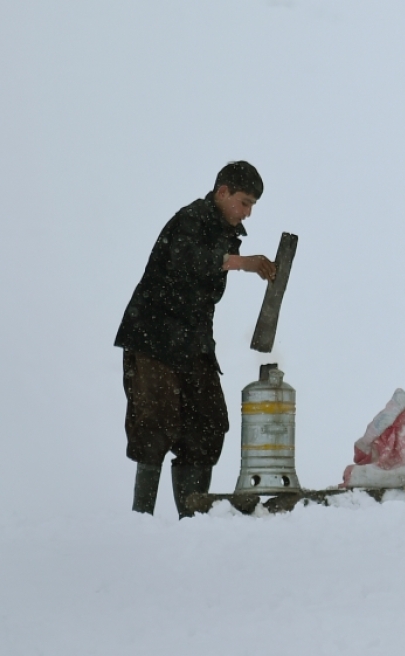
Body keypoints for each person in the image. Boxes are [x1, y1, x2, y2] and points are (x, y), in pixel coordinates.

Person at [115, 161, 277, 518]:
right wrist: (240, 262)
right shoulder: (189, 219)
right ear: (223, 192)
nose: (247, 213)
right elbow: (189, 260)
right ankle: (139, 521)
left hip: (193, 343)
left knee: (208, 424)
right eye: (245, 202)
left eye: (252, 206)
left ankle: (192, 522)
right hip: (153, 337)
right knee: (155, 423)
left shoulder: (224, 232)